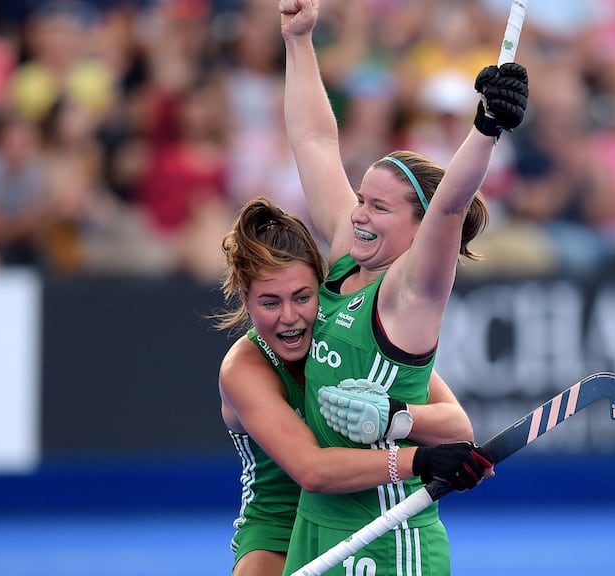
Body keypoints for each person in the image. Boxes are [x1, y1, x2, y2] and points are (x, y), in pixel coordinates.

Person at [279, 0, 528, 573]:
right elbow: (315, 142)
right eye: (361, 200)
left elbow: (448, 208)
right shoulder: (346, 262)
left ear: (416, 229)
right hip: (315, 522)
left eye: (379, 207)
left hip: (386, 537)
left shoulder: (407, 293)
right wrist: (299, 42)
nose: (359, 215)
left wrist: (486, 129)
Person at [217, 197, 494, 576]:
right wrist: (422, 461)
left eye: (302, 297)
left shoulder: (345, 334)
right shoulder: (244, 367)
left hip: (356, 514)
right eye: (269, 302)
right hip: (275, 528)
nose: (289, 317)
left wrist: (396, 416)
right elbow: (312, 471)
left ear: (322, 289)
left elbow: (457, 427)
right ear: (245, 301)